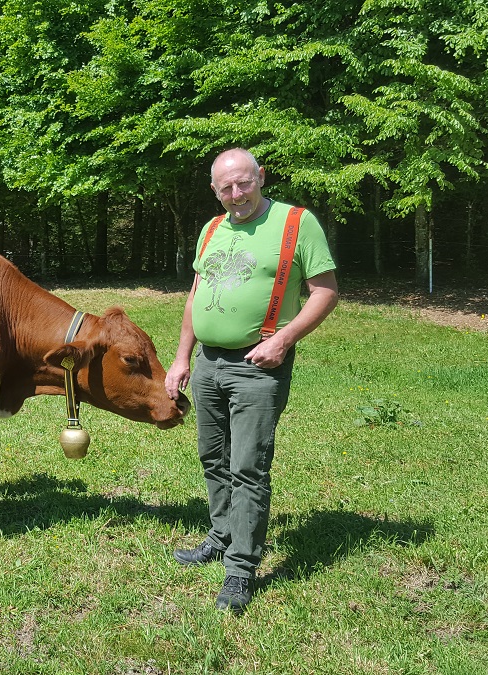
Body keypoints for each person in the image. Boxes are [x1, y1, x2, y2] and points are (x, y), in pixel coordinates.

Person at [165, 148, 339, 612]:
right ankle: (221, 535)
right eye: (227, 187)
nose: (237, 194)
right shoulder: (212, 228)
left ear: (261, 176)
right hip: (208, 364)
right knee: (212, 457)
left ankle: (240, 569)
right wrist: (182, 358)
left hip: (259, 366)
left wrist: (283, 340)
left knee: (248, 468)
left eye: (245, 183)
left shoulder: (296, 223)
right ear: (215, 190)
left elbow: (325, 292)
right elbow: (195, 297)